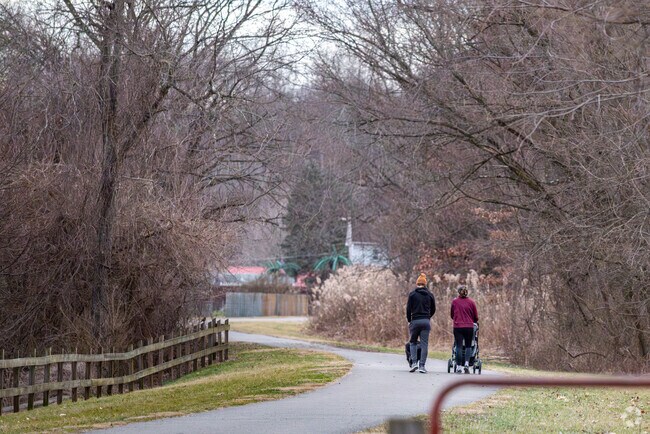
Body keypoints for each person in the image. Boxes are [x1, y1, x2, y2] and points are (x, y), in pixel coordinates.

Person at [406, 273, 436, 373]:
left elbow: (408, 309)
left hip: (415, 321)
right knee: (424, 344)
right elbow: (433, 309)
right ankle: (422, 366)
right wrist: (427, 317)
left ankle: (414, 363)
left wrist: (409, 320)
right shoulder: (430, 295)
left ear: (417, 283)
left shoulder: (412, 294)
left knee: (413, 342)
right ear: (425, 284)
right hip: (425, 322)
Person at [450, 284, 479, 374]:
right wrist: (472, 320)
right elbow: (476, 317)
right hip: (469, 327)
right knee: (468, 346)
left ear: (458, 292)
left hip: (458, 326)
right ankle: (466, 364)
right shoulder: (471, 302)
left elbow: (452, 314)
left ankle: (458, 366)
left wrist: (456, 319)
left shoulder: (455, 302)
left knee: (458, 346)